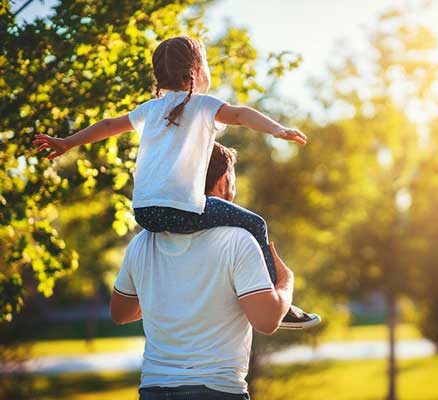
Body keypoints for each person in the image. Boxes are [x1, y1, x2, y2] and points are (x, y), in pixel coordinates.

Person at [33, 35, 318, 328]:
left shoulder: (150, 109)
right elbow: (241, 115)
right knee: (255, 224)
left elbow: (107, 125)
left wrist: (67, 142)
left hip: (144, 213)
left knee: (206, 215)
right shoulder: (203, 105)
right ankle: (276, 302)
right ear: (196, 72)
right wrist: (278, 129)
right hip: (182, 209)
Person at [110, 142, 311, 399]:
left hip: (154, 389)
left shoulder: (143, 241)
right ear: (223, 180)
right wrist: (285, 283)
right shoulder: (238, 239)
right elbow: (267, 320)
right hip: (215, 390)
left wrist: (168, 297)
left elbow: (120, 313)